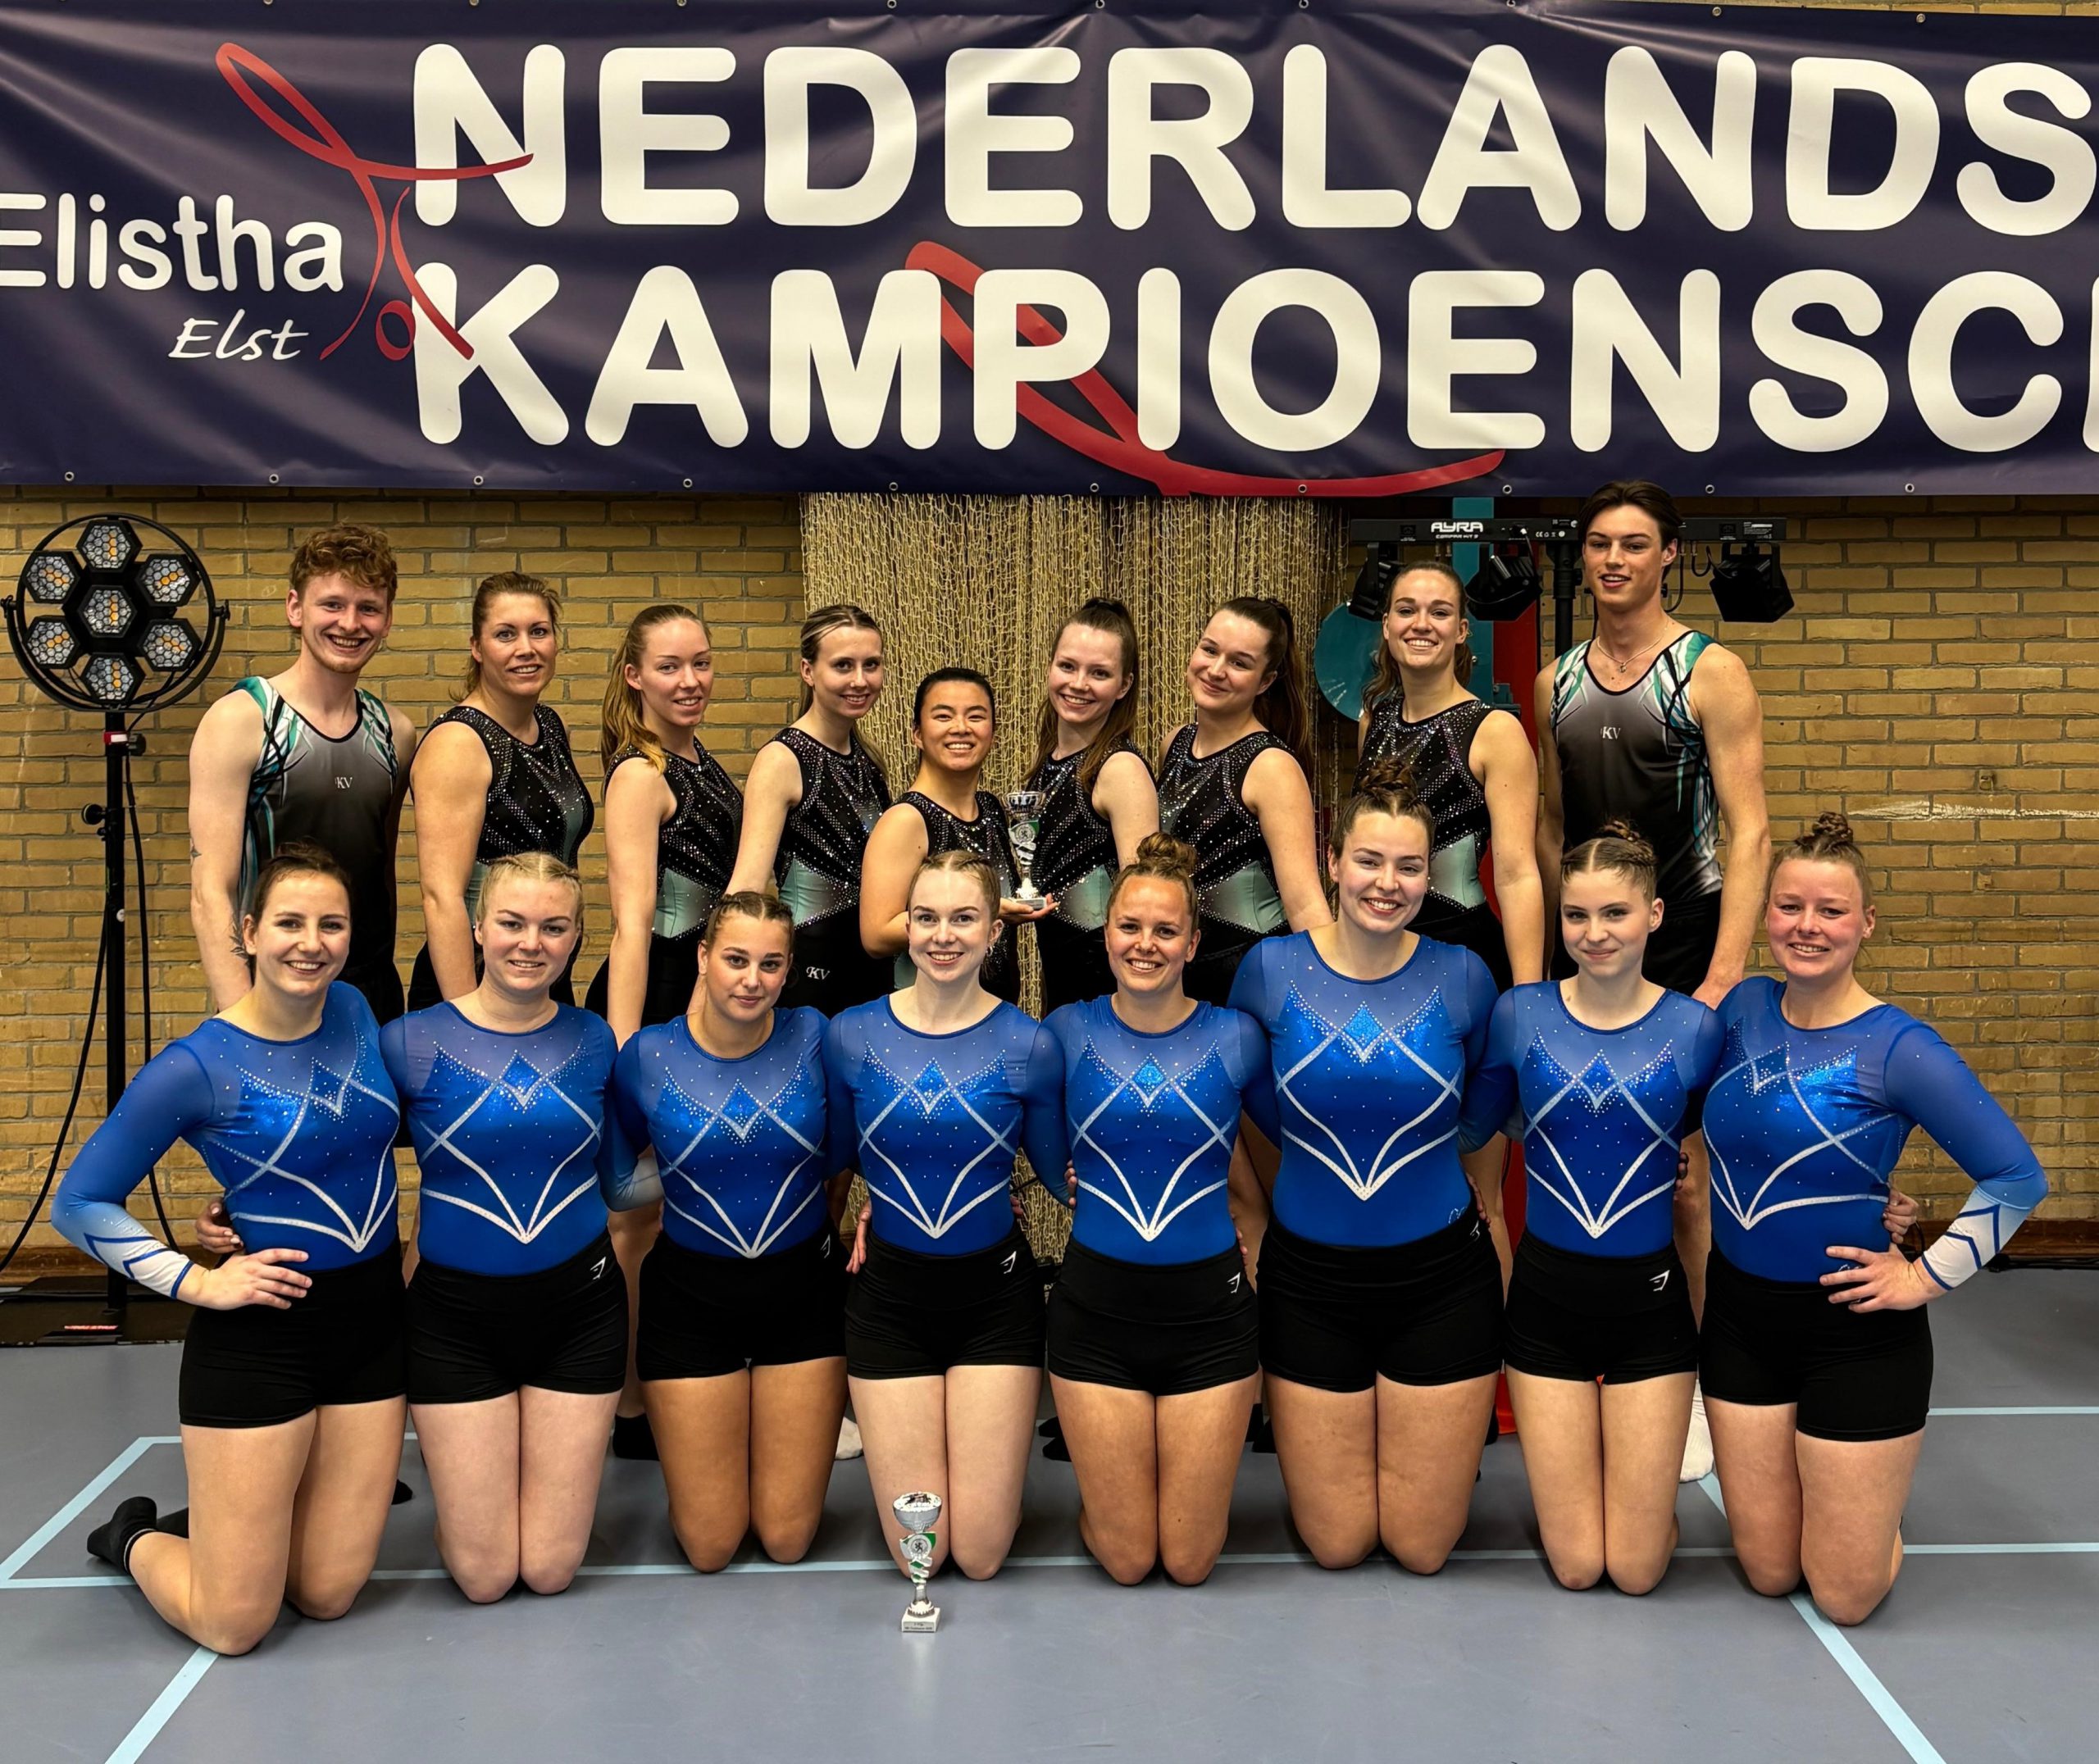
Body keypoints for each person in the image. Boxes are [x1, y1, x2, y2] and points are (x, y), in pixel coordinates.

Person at [56, 846, 406, 1655]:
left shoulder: (354, 1010)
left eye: (331, 924)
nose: (310, 943)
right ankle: (133, 1535)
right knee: (235, 1622)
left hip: (372, 1324)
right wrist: (196, 1281)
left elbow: (338, 1146)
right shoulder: (195, 1066)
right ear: (248, 932)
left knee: (325, 1592)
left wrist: (233, 1205)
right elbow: (79, 1203)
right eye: (289, 922)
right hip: (262, 1336)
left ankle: (238, 1522)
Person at [1699, 814, 2047, 1625]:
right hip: (1740, 1319)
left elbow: (2017, 1178)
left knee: (1844, 1595)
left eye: (1830, 911)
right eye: (1790, 906)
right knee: (1768, 1570)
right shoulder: (1741, 1008)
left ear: (1866, 923)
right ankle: (1838, 1506)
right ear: (1766, 913)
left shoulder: (1901, 1047)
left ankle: (1864, 1515)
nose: (1807, 927)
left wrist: (1923, 1276)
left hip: (1854, 1329)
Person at [1535, 480, 1771, 1480]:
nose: (1613, 560)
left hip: (1684, 951)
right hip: (1590, 948)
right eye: (1598, 543)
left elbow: (1749, 830)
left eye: (1633, 544)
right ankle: (1602, 1371)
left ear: (1670, 554)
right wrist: (1554, 954)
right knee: (1592, 1166)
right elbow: (1550, 829)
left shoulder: (1708, 672)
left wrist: (1723, 972)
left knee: (1686, 1188)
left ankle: (1704, 1385)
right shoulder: (1553, 680)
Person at [1228, 762, 1503, 1573]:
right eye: (1370, 861)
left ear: (1431, 874)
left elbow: (1485, 1106)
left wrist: (1451, 1171)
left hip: (1440, 1282)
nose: (1387, 883)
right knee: (1337, 1543)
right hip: (1309, 1283)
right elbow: (1244, 1096)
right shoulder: (1269, 971)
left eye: (1409, 866)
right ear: (1334, 861)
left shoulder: (1463, 976)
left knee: (1421, 1547)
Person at [1461, 824, 1719, 1594]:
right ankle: (1606, 1488)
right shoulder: (1521, 1015)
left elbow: (1740, 1151)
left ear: (1655, 915)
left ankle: (1640, 1495)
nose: (1594, 933)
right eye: (1576, 915)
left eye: (1615, 913)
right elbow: (1465, 1129)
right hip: (1546, 1311)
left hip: (1651, 1313)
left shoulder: (1695, 1029)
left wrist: (1881, 1200)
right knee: (1578, 1567)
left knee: (1635, 1569)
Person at [377, 853, 622, 1603]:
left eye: (553, 927)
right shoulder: (409, 1042)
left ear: (576, 937)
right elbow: (340, 1150)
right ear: (478, 927)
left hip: (579, 1317)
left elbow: (624, 1177)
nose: (530, 943)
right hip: (454, 1323)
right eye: (512, 923)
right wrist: (233, 1213)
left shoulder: (595, 1041)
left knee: (548, 1570)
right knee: (484, 1577)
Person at [1029, 835, 1268, 1585]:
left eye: (1166, 931)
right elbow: (1041, 1149)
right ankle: (1114, 1505)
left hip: (1211, 1320)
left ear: (1193, 943)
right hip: (1096, 1318)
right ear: (1106, 934)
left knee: (1190, 1561)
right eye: (1130, 926)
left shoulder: (1236, 1037)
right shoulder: (1065, 1033)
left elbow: (1293, 1145)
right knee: (1130, 1559)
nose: (1145, 944)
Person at [827, 851, 1062, 1581]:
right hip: (890, 1306)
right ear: (907, 927)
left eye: (964, 918)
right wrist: (873, 1207)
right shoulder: (852, 1036)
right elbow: (831, 1158)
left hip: (995, 1305)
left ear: (994, 931)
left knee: (982, 1554)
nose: (943, 935)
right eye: (926, 917)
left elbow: (1065, 1177)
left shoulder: (1029, 1044)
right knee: (920, 1556)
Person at [603, 892, 849, 1571]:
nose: (752, 980)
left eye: (770, 964)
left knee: (786, 1539)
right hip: (690, 1302)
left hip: (803, 1297)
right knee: (712, 1546)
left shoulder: (815, 1037)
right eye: (736, 960)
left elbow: (845, 1149)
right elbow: (618, 1182)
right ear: (704, 957)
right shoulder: (649, 1055)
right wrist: (694, 1174)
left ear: (789, 969)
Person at [586, 603, 743, 1460]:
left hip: (702, 1010)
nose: (691, 680)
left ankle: (671, 1383)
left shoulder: (699, 761)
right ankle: (628, 1405)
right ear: (635, 676)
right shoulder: (639, 774)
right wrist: (625, 1057)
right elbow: (632, 925)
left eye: (702, 663)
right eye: (671, 666)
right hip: (651, 1009)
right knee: (635, 1220)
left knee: (672, 1210)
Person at [187, 523, 417, 1023]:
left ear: (387, 620)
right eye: (332, 604)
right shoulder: (242, 720)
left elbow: (382, 876)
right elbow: (210, 892)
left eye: (368, 608)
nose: (350, 623)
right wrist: (243, 1021)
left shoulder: (395, 733)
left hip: (371, 997)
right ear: (295, 608)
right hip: (270, 993)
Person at [407, 574, 594, 1010]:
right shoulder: (458, 743)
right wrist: (466, 1020)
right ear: (477, 647)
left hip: (542, 975)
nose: (526, 648)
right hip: (475, 984)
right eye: (506, 634)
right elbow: (442, 898)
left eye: (539, 632)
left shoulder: (552, 726)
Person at [1356, 561, 1544, 993]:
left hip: (1461, 951)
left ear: (1460, 631)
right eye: (1407, 610)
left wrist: (1528, 995)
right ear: (1386, 625)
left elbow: (1517, 875)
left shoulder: (1494, 732)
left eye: (1439, 612)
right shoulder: (1374, 721)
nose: (1421, 624)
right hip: (1378, 946)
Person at [1158, 597, 1331, 1007]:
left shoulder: (1272, 767)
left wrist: (1335, 998)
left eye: (1239, 663)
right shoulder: (1175, 743)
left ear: (1265, 681)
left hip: (1247, 980)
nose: (1216, 670)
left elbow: (1305, 902)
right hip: (1180, 976)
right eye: (1209, 650)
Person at [728, 602, 892, 1014]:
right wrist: (709, 1000)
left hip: (871, 972)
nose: (860, 680)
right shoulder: (783, 759)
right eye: (843, 665)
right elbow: (747, 886)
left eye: (871, 665)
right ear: (808, 671)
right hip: (810, 977)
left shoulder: (868, 759)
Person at [858, 669, 1046, 1007]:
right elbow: (876, 934)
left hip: (994, 1009)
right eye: (943, 716)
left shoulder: (991, 809)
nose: (961, 727)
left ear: (993, 733)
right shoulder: (907, 820)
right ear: (917, 734)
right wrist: (989, 911)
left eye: (975, 716)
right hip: (932, 1017)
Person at [1022, 599, 1159, 1012]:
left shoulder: (1119, 769)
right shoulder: (1049, 763)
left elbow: (1145, 901)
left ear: (1124, 685)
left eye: (1099, 673)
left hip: (1107, 994)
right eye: (1067, 666)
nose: (1078, 684)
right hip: (1061, 980)